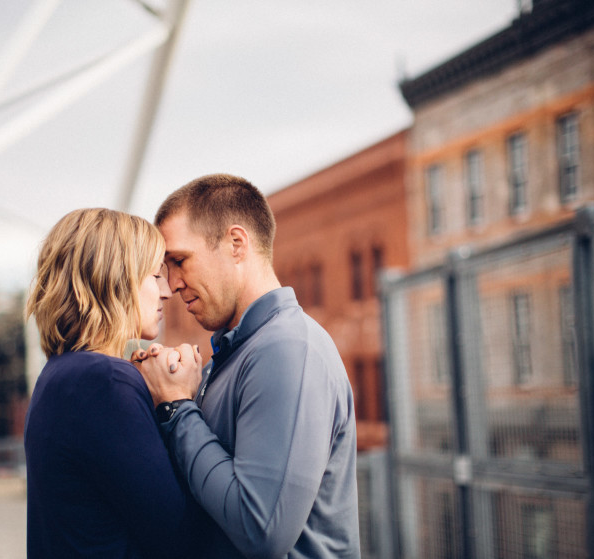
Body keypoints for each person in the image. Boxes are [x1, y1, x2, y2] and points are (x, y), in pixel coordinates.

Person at [135, 174, 361, 558]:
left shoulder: (288, 348)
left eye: (179, 261)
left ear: (236, 244)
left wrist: (177, 408)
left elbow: (262, 530)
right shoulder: (236, 354)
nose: (171, 285)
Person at [23, 208, 204, 558]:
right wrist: (177, 401)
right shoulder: (104, 381)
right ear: (116, 280)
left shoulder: (61, 375)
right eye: (155, 276)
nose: (166, 291)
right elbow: (181, 536)